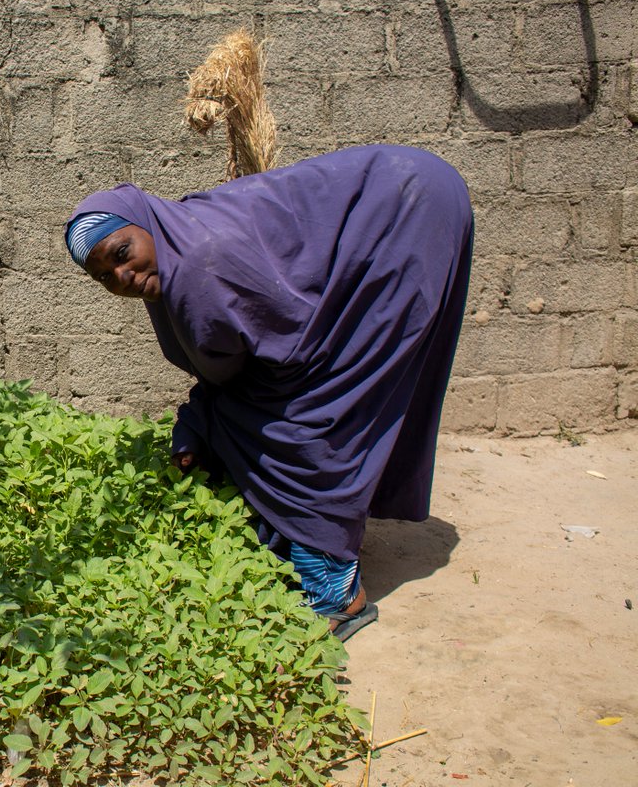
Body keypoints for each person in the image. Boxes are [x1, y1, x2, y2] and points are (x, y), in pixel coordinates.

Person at [64, 145, 474, 641]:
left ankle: (337, 594)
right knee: (268, 411)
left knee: (311, 424)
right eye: (104, 276)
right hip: (403, 194)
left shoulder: (196, 265)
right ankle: (298, 531)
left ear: (145, 222)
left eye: (122, 254)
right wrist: (204, 418)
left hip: (404, 216)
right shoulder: (177, 239)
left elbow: (247, 377)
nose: (122, 278)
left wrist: (203, 422)